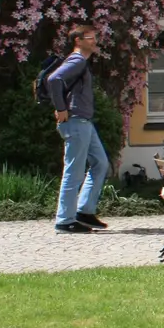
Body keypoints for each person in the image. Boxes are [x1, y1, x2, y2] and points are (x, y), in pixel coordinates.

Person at [46, 24, 109, 234]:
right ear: (78, 40)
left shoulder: (81, 62)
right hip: (75, 121)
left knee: (100, 163)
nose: (95, 41)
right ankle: (65, 220)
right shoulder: (77, 60)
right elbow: (54, 79)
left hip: (84, 122)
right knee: (73, 171)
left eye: (94, 37)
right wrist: (61, 108)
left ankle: (84, 211)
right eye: (90, 37)